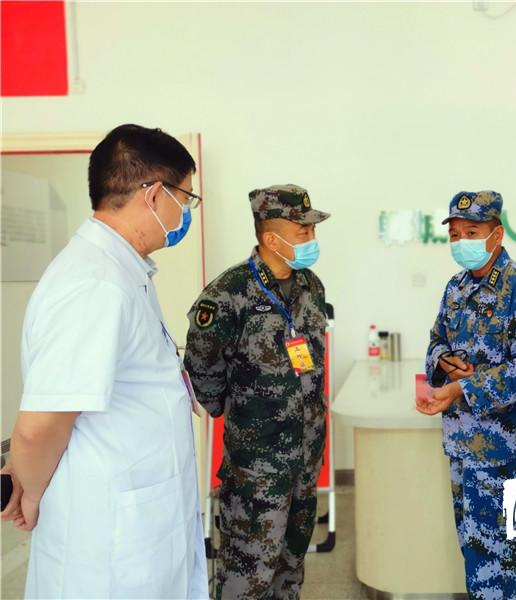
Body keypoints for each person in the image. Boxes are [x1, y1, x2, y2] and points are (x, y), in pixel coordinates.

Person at [0, 124, 208, 598]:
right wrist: (30, 492)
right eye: (185, 199)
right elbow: (41, 423)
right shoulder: (94, 283)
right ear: (154, 195)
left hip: (137, 515)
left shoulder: (120, 270)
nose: (185, 213)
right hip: (110, 535)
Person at [184, 185, 330, 599]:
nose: (312, 239)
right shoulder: (227, 295)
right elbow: (201, 369)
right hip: (256, 470)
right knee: (246, 577)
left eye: (312, 230)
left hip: (304, 461)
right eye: (303, 232)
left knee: (290, 569)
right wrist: (238, 412)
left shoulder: (311, 286)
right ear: (271, 238)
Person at [419, 190, 516, 600]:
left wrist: (464, 386)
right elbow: (436, 341)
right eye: (455, 234)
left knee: (501, 558)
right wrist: (445, 363)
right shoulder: (455, 288)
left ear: (496, 234)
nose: (461, 242)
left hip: (507, 450)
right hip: (463, 446)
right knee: (477, 553)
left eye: (471, 232)